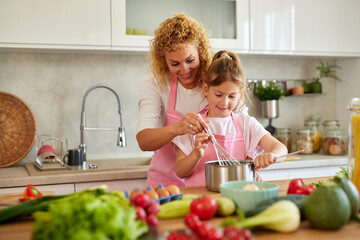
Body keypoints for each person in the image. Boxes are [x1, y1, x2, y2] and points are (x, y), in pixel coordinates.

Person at [136, 13, 247, 187]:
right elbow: (144, 140)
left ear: (200, 52)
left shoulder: (215, 80)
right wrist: (177, 128)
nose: (184, 69)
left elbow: (242, 124)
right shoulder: (156, 83)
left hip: (206, 182)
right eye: (175, 64)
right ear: (164, 60)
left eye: (190, 60)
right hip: (164, 182)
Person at [172, 50, 288, 186]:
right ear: (205, 89)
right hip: (201, 200)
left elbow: (281, 149)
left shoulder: (246, 124)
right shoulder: (193, 124)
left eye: (232, 96)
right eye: (219, 95)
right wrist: (196, 154)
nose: (224, 102)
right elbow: (180, 171)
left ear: (239, 94)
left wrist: (273, 155)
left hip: (238, 198)